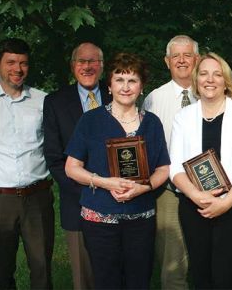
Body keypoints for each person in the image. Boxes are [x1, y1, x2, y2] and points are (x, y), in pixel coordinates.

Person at [65, 53, 170, 289]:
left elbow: (163, 168)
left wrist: (143, 187)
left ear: (141, 86)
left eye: (132, 80)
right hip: (99, 219)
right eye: (119, 80)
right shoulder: (91, 120)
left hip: (141, 218)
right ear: (109, 86)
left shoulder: (152, 123)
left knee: (139, 281)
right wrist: (106, 182)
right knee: (106, 281)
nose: (126, 87)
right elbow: (71, 168)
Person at [169, 52, 232, 289]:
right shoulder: (184, 116)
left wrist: (226, 202)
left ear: (226, 81)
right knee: (201, 274)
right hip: (195, 207)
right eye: (203, 74)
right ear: (196, 79)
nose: (210, 80)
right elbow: (175, 166)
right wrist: (197, 196)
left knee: (228, 276)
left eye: (217, 74)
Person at [0, 38, 54, 289]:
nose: (18, 69)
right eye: (11, 62)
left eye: (23, 63)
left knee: (42, 270)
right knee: (1, 273)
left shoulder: (44, 101)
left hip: (37, 198)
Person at [43, 42, 110, 289]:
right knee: (84, 276)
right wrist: (87, 191)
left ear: (102, 66)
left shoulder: (119, 93)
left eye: (94, 61)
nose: (87, 66)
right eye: (82, 61)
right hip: (78, 201)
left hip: (118, 200)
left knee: (117, 270)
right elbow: (54, 157)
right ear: (73, 66)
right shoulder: (55, 102)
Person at [142, 35, 199, 289]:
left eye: (187, 55)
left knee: (207, 258)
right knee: (172, 263)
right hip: (168, 191)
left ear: (197, 59)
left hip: (210, 188)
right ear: (167, 62)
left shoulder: (212, 91)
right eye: (176, 56)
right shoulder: (154, 99)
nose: (182, 60)